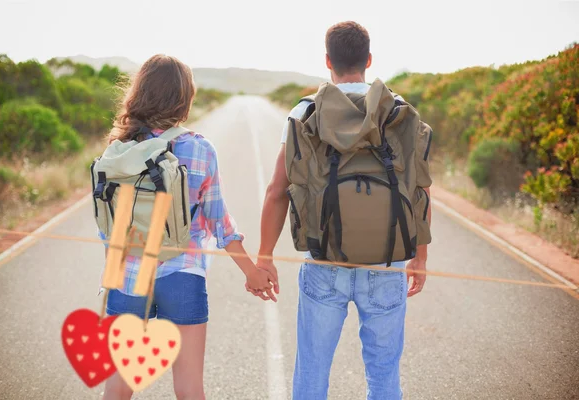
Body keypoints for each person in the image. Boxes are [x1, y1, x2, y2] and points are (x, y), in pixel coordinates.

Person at [255, 21, 432, 400]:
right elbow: (420, 190)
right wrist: (420, 256)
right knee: (384, 376)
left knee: (312, 374)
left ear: (327, 61)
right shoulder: (398, 113)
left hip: (324, 262)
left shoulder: (305, 113)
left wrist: (265, 256)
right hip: (387, 263)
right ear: (369, 60)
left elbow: (276, 191)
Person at [100, 54, 278, 400]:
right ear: (185, 97)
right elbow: (220, 221)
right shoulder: (198, 148)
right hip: (183, 274)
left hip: (126, 275)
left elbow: (107, 224)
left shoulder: (118, 149)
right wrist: (252, 272)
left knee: (119, 387)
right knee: (189, 388)